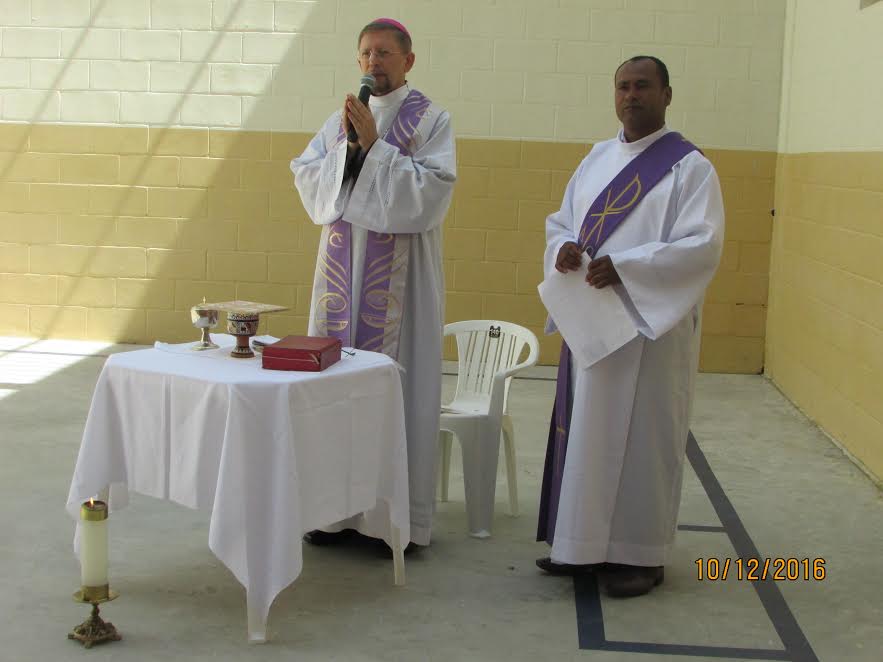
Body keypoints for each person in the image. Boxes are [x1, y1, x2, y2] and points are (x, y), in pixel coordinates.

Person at [535, 56, 725, 597]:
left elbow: (702, 246)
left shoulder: (690, 168)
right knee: (588, 436)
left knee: (643, 441)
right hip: (593, 326)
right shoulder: (596, 159)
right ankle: (580, 546)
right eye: (623, 86)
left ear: (667, 94)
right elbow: (561, 222)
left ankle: (641, 555)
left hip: (648, 331)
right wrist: (563, 248)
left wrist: (628, 267)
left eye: (643, 86)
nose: (631, 95)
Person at [290, 18, 456, 552]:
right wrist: (350, 150)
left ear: (408, 60)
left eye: (384, 53)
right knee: (335, 390)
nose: (372, 62)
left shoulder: (431, 120)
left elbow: (433, 192)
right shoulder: (339, 119)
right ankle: (332, 515)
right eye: (365, 53)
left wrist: (376, 147)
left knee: (397, 391)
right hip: (342, 274)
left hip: (402, 285)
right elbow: (307, 174)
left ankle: (391, 522)